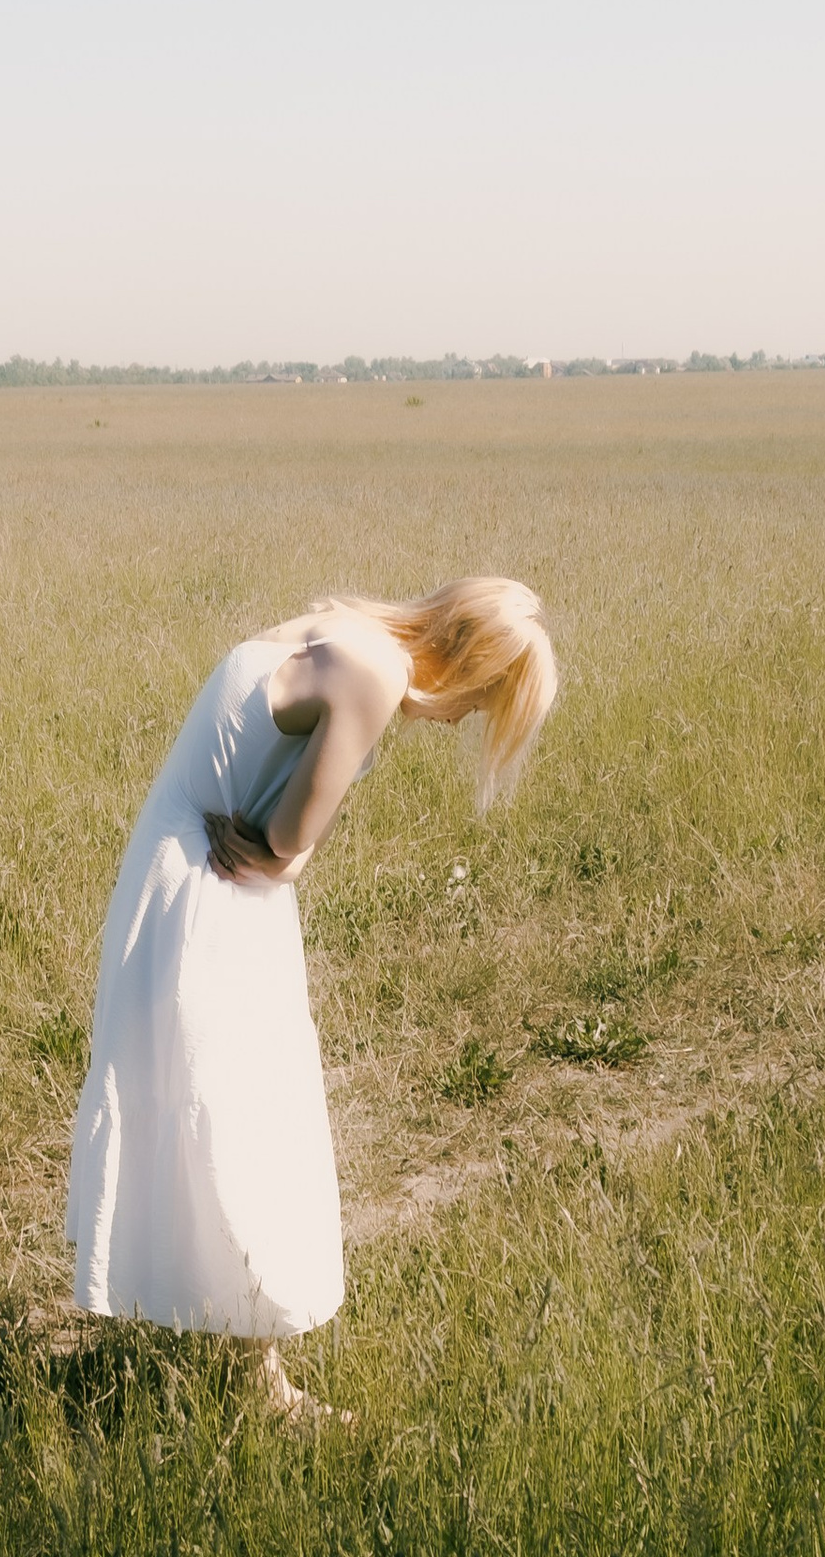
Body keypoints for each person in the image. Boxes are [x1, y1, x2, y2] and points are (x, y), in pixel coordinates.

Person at [65, 579, 559, 1409]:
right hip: (212, 893)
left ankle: (234, 1359)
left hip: (180, 870)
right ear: (469, 668)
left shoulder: (348, 629)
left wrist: (283, 854)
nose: (470, 721)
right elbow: (287, 837)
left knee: (216, 1110)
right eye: (484, 704)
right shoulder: (378, 674)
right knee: (247, 1116)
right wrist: (290, 857)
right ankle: (257, 1383)